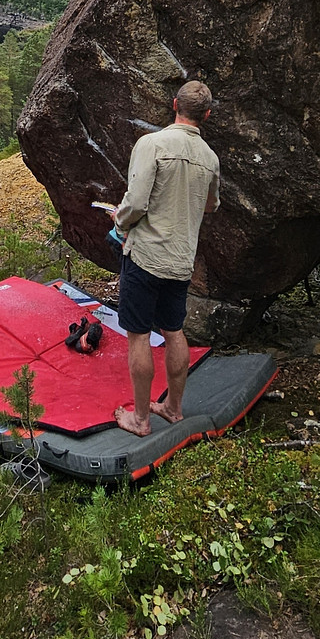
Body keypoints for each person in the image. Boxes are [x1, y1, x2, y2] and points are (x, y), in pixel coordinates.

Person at [111, 80, 220, 437]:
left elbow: (136, 202)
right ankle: (173, 407)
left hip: (145, 256)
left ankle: (141, 419)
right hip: (181, 260)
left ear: (174, 105)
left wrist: (119, 221)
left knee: (139, 335)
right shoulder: (210, 158)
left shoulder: (152, 144)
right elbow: (211, 205)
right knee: (173, 330)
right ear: (206, 115)